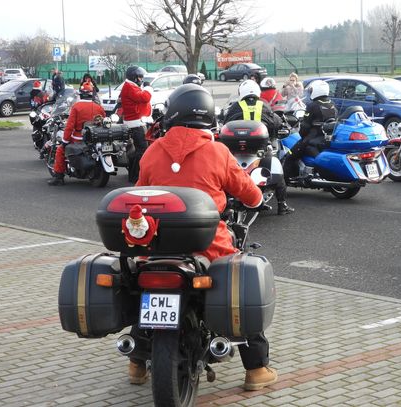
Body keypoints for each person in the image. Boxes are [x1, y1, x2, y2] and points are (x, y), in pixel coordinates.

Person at [132, 83, 278, 391]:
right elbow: (248, 192)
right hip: (208, 246)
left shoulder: (152, 151)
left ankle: (136, 364)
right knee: (239, 286)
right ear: (209, 117)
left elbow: (138, 193)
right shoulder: (217, 151)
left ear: (172, 114)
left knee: (147, 293)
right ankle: (256, 370)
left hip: (157, 245)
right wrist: (256, 199)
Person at [223, 79, 294, 215]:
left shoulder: (236, 106)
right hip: (259, 148)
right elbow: (275, 122)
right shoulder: (263, 105)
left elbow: (225, 122)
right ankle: (282, 205)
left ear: (241, 92)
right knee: (276, 169)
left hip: (236, 148)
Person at [48, 82, 106, 186]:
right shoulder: (99, 107)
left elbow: (70, 126)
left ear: (81, 94)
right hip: (95, 137)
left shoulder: (76, 107)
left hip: (78, 138)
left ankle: (58, 177)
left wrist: (65, 141)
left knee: (60, 150)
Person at [282, 79, 337, 179]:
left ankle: (285, 181)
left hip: (312, 139)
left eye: (311, 90)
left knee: (290, 156)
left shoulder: (312, 106)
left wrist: (301, 134)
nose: (310, 93)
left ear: (316, 91)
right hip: (326, 139)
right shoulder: (332, 105)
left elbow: (305, 126)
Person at [120, 65, 153, 183]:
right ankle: (135, 176)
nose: (141, 79)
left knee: (138, 149)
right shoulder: (129, 87)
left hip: (137, 122)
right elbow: (144, 97)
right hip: (136, 124)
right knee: (141, 150)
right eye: (139, 77)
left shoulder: (131, 86)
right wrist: (149, 88)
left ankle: (134, 174)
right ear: (134, 77)